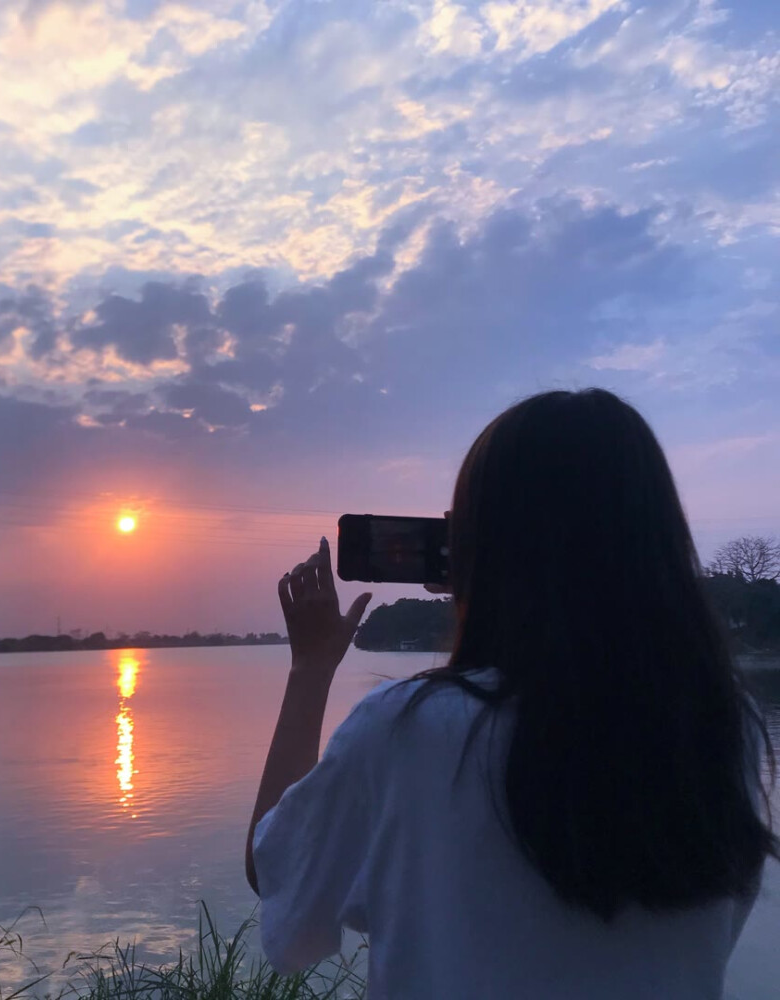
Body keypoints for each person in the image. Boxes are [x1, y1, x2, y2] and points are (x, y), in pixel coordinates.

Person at [245, 388, 778, 999]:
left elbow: (275, 870)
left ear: (478, 546)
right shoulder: (721, 729)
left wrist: (309, 670)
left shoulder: (407, 734)